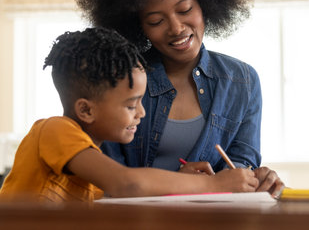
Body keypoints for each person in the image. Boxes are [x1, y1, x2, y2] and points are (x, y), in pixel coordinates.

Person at [74, 0, 284, 197]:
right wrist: (184, 184)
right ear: (137, 27)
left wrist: (257, 178)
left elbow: (242, 163)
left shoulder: (242, 80)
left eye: (185, 10)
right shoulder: (120, 80)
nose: (176, 28)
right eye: (156, 21)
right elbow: (108, 176)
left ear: (206, 3)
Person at [0, 28, 258, 203]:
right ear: (86, 110)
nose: (142, 113)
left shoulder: (92, 165)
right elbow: (128, 185)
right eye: (131, 105)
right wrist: (214, 186)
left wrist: (180, 182)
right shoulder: (54, 130)